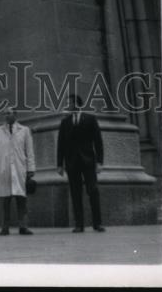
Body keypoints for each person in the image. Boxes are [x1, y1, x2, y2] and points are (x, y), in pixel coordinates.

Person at [57, 94, 105, 233]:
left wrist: (100, 162)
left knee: (93, 191)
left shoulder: (90, 119)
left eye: (69, 103)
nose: (67, 106)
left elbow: (98, 142)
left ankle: (97, 223)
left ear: (76, 104)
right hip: (72, 163)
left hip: (89, 161)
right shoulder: (65, 122)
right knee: (75, 193)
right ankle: (79, 224)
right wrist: (59, 164)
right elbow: (61, 145)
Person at [0, 107, 35, 235]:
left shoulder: (24, 130)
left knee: (21, 199)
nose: (6, 116)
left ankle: (23, 226)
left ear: (15, 114)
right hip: (4, 168)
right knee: (4, 200)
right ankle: (5, 227)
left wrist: (31, 168)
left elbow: (29, 151)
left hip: (20, 168)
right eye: (4, 114)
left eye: (8, 113)